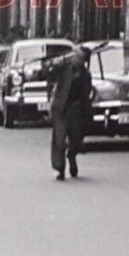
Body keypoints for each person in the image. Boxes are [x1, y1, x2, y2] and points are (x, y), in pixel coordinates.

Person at [48, 47, 92, 181]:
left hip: (76, 108)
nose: (77, 59)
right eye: (76, 56)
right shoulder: (64, 68)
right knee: (59, 139)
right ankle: (60, 169)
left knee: (76, 139)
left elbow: (87, 93)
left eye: (80, 58)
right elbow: (49, 74)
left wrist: (87, 111)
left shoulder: (85, 74)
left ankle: (72, 157)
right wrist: (53, 64)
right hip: (60, 108)